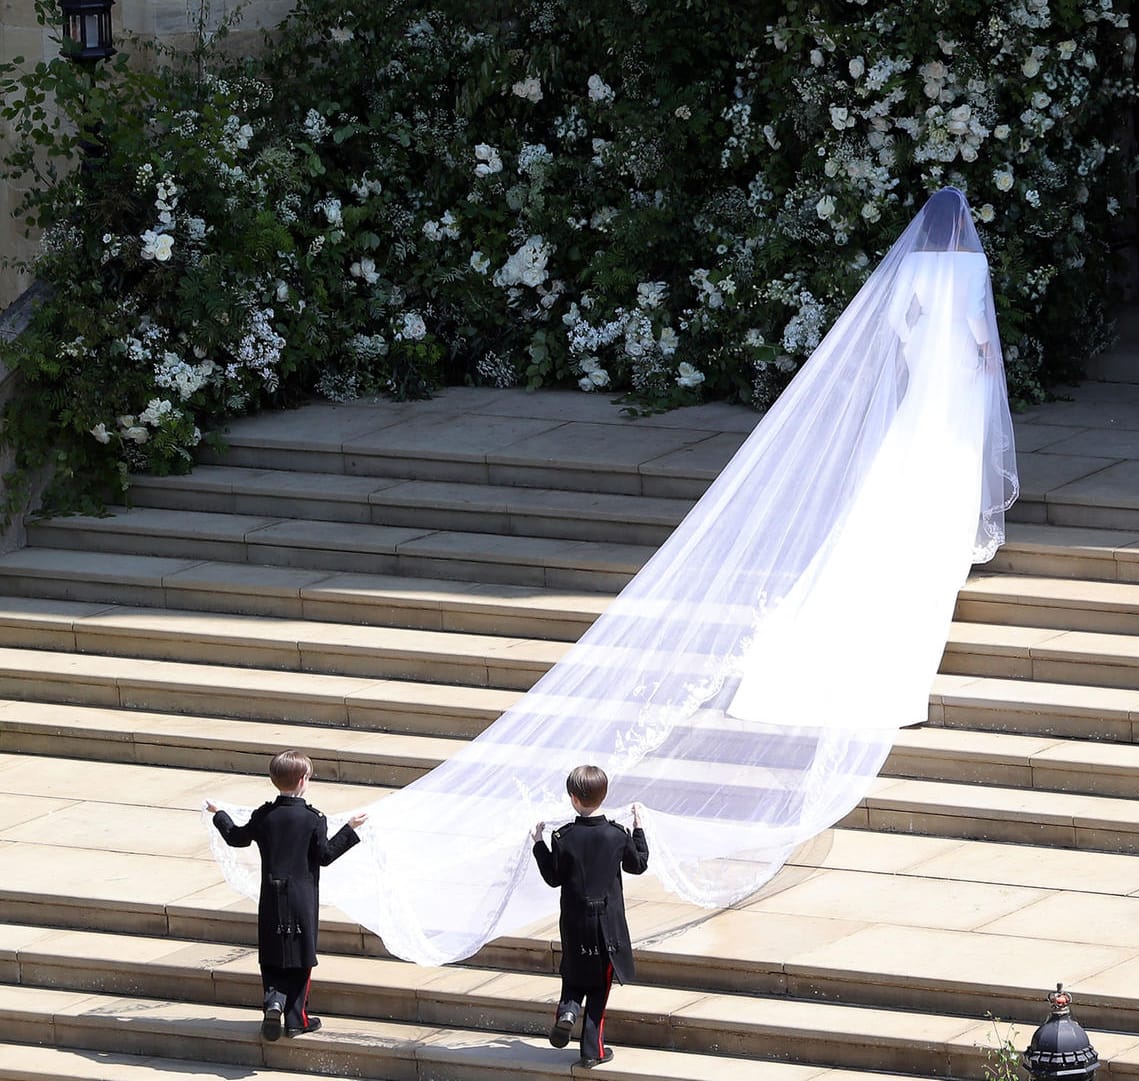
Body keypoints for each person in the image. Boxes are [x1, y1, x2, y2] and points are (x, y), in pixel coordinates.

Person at [204, 188, 1016, 970]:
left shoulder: (911, 275)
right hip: (951, 398)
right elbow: (978, 344)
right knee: (938, 470)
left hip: (919, 396)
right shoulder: (967, 275)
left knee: (899, 474)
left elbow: (902, 338)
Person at [206, 750, 366, 1041]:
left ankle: (273, 1001)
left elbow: (236, 837)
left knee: (272, 952)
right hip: (301, 899)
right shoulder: (313, 818)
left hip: (271, 896)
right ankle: (296, 1019)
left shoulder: (264, 815)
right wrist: (350, 829)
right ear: (304, 780)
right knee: (302, 956)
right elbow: (325, 856)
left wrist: (220, 815)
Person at [531, 764, 649, 1069]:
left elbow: (553, 877)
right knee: (600, 986)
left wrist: (538, 844)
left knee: (573, 972)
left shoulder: (563, 836)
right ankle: (592, 1049)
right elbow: (638, 865)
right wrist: (638, 829)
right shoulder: (617, 834)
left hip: (574, 921)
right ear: (605, 795)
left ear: (573, 798)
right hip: (606, 925)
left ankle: (567, 1011)